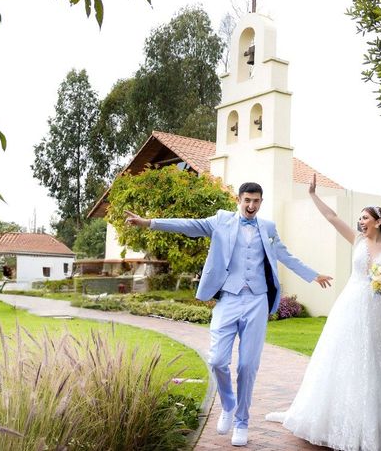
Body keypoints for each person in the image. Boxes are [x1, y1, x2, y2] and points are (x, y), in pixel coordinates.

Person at [124, 182, 333, 447]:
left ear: (261, 201)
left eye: (256, 201)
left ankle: (242, 421)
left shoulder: (267, 228)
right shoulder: (220, 221)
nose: (251, 206)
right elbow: (188, 224)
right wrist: (149, 222)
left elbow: (285, 256)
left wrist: (313, 275)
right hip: (229, 299)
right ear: (238, 199)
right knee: (217, 360)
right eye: (247, 200)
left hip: (257, 300)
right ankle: (228, 404)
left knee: (248, 366)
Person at [265, 174, 381, 450]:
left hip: (380, 311)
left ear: (379, 221)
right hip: (352, 305)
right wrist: (313, 195)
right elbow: (331, 217)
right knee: (345, 358)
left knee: (379, 361)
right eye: (360, 218)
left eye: (365, 218)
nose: (360, 222)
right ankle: (336, 420)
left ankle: (379, 426)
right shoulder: (357, 242)